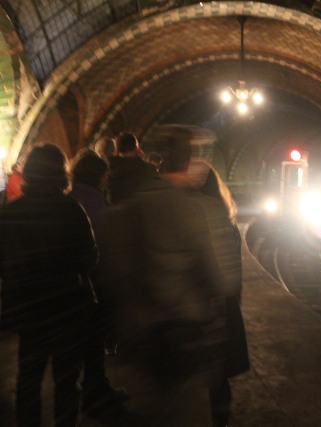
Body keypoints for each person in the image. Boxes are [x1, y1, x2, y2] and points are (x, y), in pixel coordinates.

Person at [102, 125, 230, 426]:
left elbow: (115, 272)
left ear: (157, 160)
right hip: (184, 338)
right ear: (189, 160)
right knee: (187, 414)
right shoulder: (193, 210)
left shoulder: (131, 206)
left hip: (143, 339)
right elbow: (216, 278)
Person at [0, 143, 99, 427]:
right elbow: (89, 258)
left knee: (28, 380)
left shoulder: (10, 213)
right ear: (61, 173)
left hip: (27, 310)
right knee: (67, 383)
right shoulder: (72, 210)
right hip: (67, 309)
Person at [68, 149, 128, 417]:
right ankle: (94, 394)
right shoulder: (95, 203)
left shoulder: (68, 198)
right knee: (93, 345)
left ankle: (93, 390)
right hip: (90, 286)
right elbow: (102, 248)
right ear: (99, 177)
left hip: (62, 289)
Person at [192, 163, 249, 427]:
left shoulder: (192, 219)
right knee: (219, 378)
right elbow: (234, 275)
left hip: (200, 309)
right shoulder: (228, 223)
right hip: (224, 307)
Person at [107, 132, 154, 203]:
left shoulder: (108, 169)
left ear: (116, 148)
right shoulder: (146, 169)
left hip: (116, 211)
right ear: (136, 147)